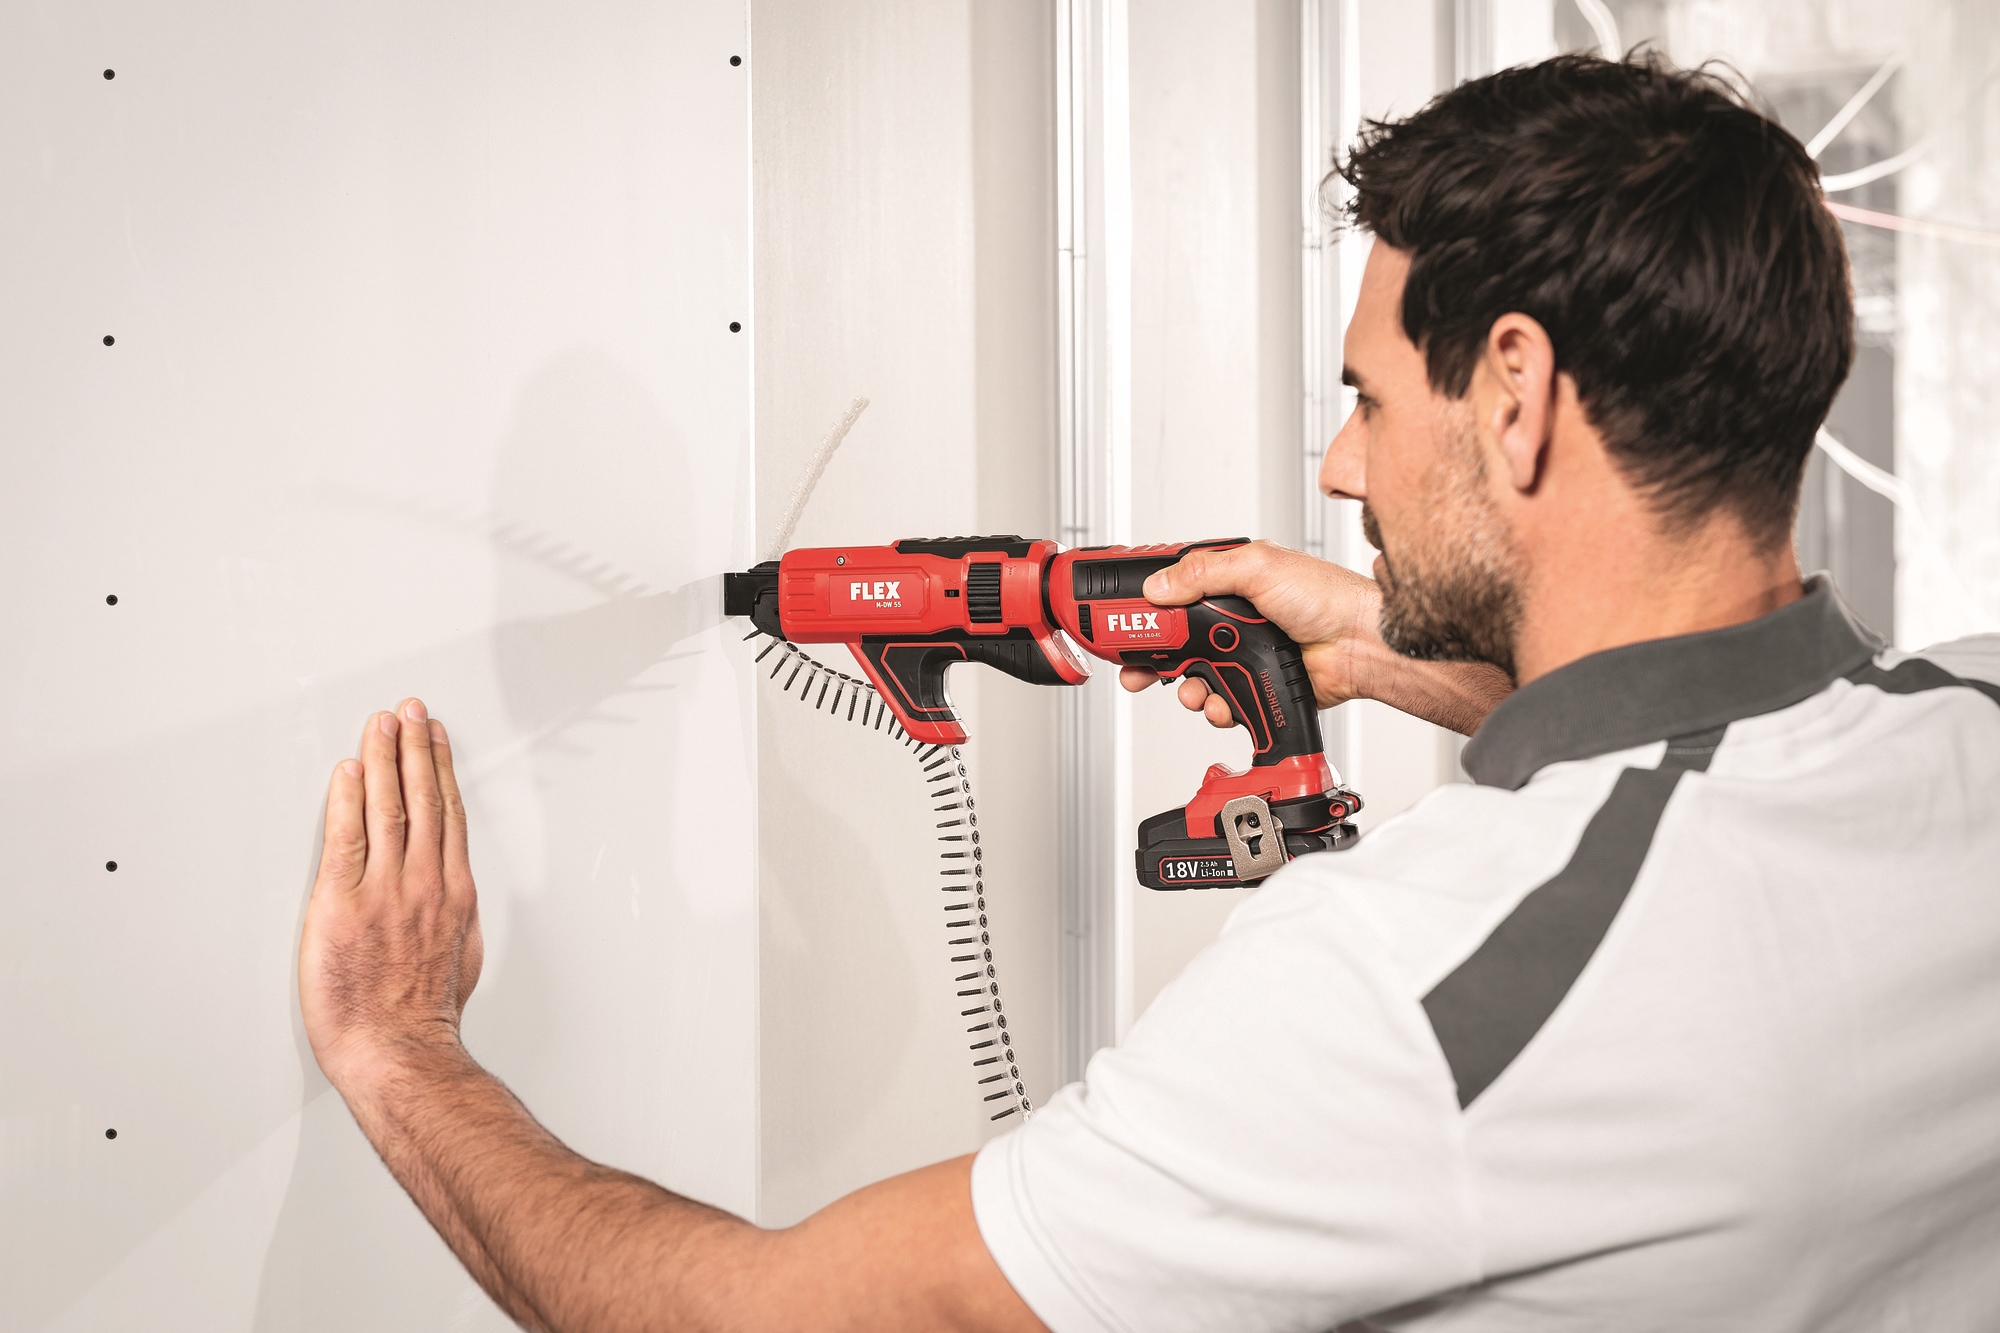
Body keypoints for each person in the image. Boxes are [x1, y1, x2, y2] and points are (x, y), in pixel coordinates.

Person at [298, 52, 2000, 1332]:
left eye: (1367, 399)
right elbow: (1716, 780)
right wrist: (1398, 651)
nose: (1339, 468)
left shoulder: (1404, 991)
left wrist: (402, 1049)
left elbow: (759, 1318)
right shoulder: (1967, 742)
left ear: (1515, 392)